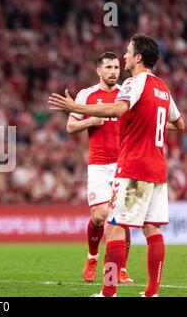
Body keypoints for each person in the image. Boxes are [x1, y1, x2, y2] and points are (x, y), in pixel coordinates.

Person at [49, 34, 185, 297]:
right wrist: (150, 125)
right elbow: (179, 124)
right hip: (157, 167)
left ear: (138, 57)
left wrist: (74, 106)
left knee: (114, 226)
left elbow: (117, 110)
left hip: (133, 165)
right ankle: (151, 293)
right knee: (151, 228)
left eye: (128, 51)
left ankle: (108, 292)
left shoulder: (134, 83)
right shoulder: (163, 87)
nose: (124, 56)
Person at [66, 52, 133, 284]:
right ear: (99, 71)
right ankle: (92, 257)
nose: (114, 71)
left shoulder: (126, 93)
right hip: (98, 165)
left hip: (124, 163)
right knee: (99, 216)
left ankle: (121, 269)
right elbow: (70, 127)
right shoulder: (87, 94)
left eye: (116, 67)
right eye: (109, 67)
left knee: (122, 218)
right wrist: (91, 121)